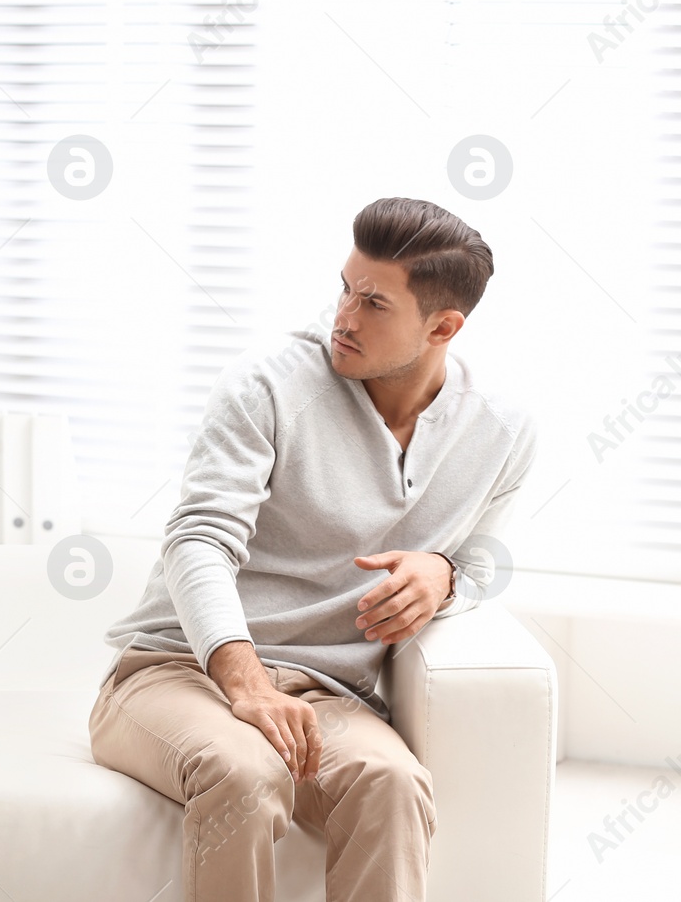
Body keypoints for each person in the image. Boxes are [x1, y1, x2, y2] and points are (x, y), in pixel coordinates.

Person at [90, 197, 537, 902]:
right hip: (176, 670)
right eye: (344, 288)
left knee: (393, 785)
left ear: (443, 326)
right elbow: (199, 538)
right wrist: (246, 683)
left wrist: (445, 574)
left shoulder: (501, 431)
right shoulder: (268, 384)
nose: (344, 317)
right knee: (245, 773)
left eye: (374, 304)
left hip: (329, 694)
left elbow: (485, 564)